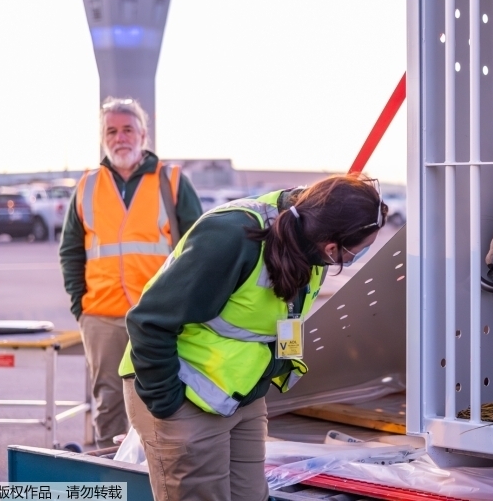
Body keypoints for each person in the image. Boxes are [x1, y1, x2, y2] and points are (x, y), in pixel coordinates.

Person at [119, 174, 387, 501]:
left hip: (240, 394)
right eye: (356, 252)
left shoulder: (310, 239)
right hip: (185, 393)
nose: (353, 260)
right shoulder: (232, 237)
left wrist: (265, 379)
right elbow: (150, 321)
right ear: (332, 246)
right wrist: (167, 404)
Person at [59, 97, 202, 448]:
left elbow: (200, 249)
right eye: (111, 130)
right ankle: (112, 472)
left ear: (143, 134)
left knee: (162, 398)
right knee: (108, 401)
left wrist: (185, 306)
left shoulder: (171, 180)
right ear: (103, 137)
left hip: (158, 315)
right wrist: (82, 307)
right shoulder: (87, 185)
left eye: (127, 129)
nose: (120, 137)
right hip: (101, 316)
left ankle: (159, 472)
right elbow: (71, 250)